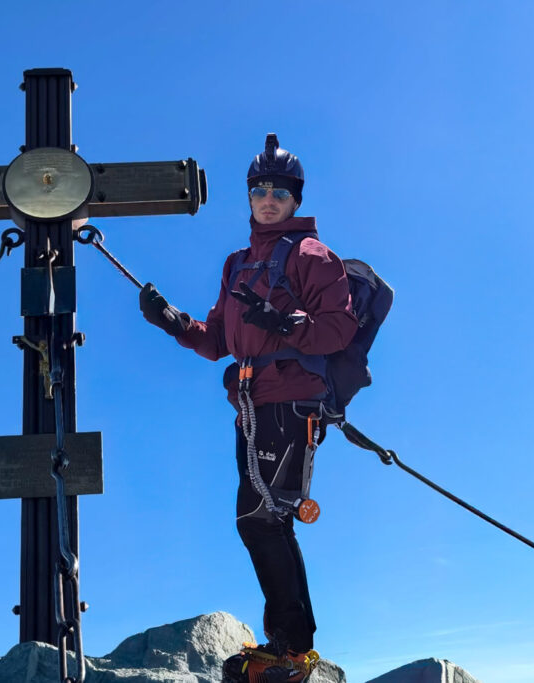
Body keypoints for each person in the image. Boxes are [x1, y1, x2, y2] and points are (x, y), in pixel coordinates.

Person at [138, 134, 358, 683]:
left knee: (262, 519)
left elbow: (339, 327)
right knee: (262, 520)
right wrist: (173, 322)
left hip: (290, 403)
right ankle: (288, 646)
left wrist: (287, 324)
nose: (267, 197)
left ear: (295, 199)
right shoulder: (238, 264)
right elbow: (217, 340)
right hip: (251, 406)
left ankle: (292, 650)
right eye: (259, 188)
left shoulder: (310, 255)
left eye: (279, 190)